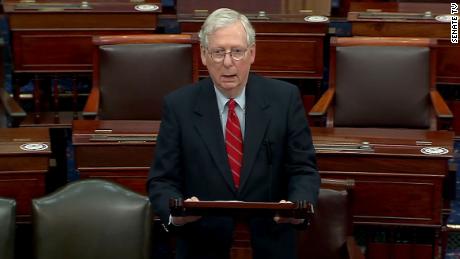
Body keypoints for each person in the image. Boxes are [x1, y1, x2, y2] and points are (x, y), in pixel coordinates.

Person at [147, 7, 320, 259]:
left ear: (251, 53)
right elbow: (161, 180)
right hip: (202, 242)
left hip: (272, 239)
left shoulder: (285, 99)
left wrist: (296, 208)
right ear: (204, 56)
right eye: (218, 52)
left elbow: (303, 170)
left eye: (237, 51)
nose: (228, 63)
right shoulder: (179, 106)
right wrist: (178, 214)